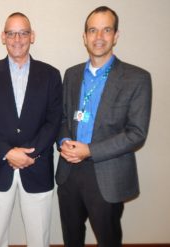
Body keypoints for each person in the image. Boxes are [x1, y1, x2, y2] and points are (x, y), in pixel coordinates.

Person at [56, 6, 152, 247]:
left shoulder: (137, 78)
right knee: (71, 239)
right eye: (93, 30)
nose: (99, 37)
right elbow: (63, 118)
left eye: (106, 30)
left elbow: (136, 134)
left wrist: (89, 150)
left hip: (107, 174)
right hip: (69, 173)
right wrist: (64, 141)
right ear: (84, 37)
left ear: (116, 36)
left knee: (109, 240)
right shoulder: (72, 74)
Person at [0, 12, 62, 247]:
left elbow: (54, 121)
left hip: (38, 166)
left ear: (32, 36)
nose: (17, 39)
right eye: (11, 33)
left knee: (39, 239)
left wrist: (29, 154)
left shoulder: (51, 75)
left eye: (23, 32)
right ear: (3, 37)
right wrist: (8, 152)